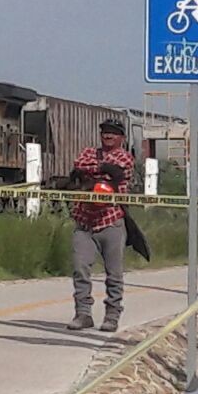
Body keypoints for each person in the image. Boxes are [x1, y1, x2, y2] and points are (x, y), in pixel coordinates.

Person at [66, 118, 134, 333]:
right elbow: (79, 164)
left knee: (114, 273)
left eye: (113, 132)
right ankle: (83, 313)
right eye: (105, 131)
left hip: (111, 221)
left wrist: (96, 171)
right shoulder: (88, 152)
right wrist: (103, 169)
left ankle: (112, 316)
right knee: (80, 269)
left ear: (122, 137)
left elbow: (120, 170)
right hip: (84, 221)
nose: (108, 135)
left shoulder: (126, 157)